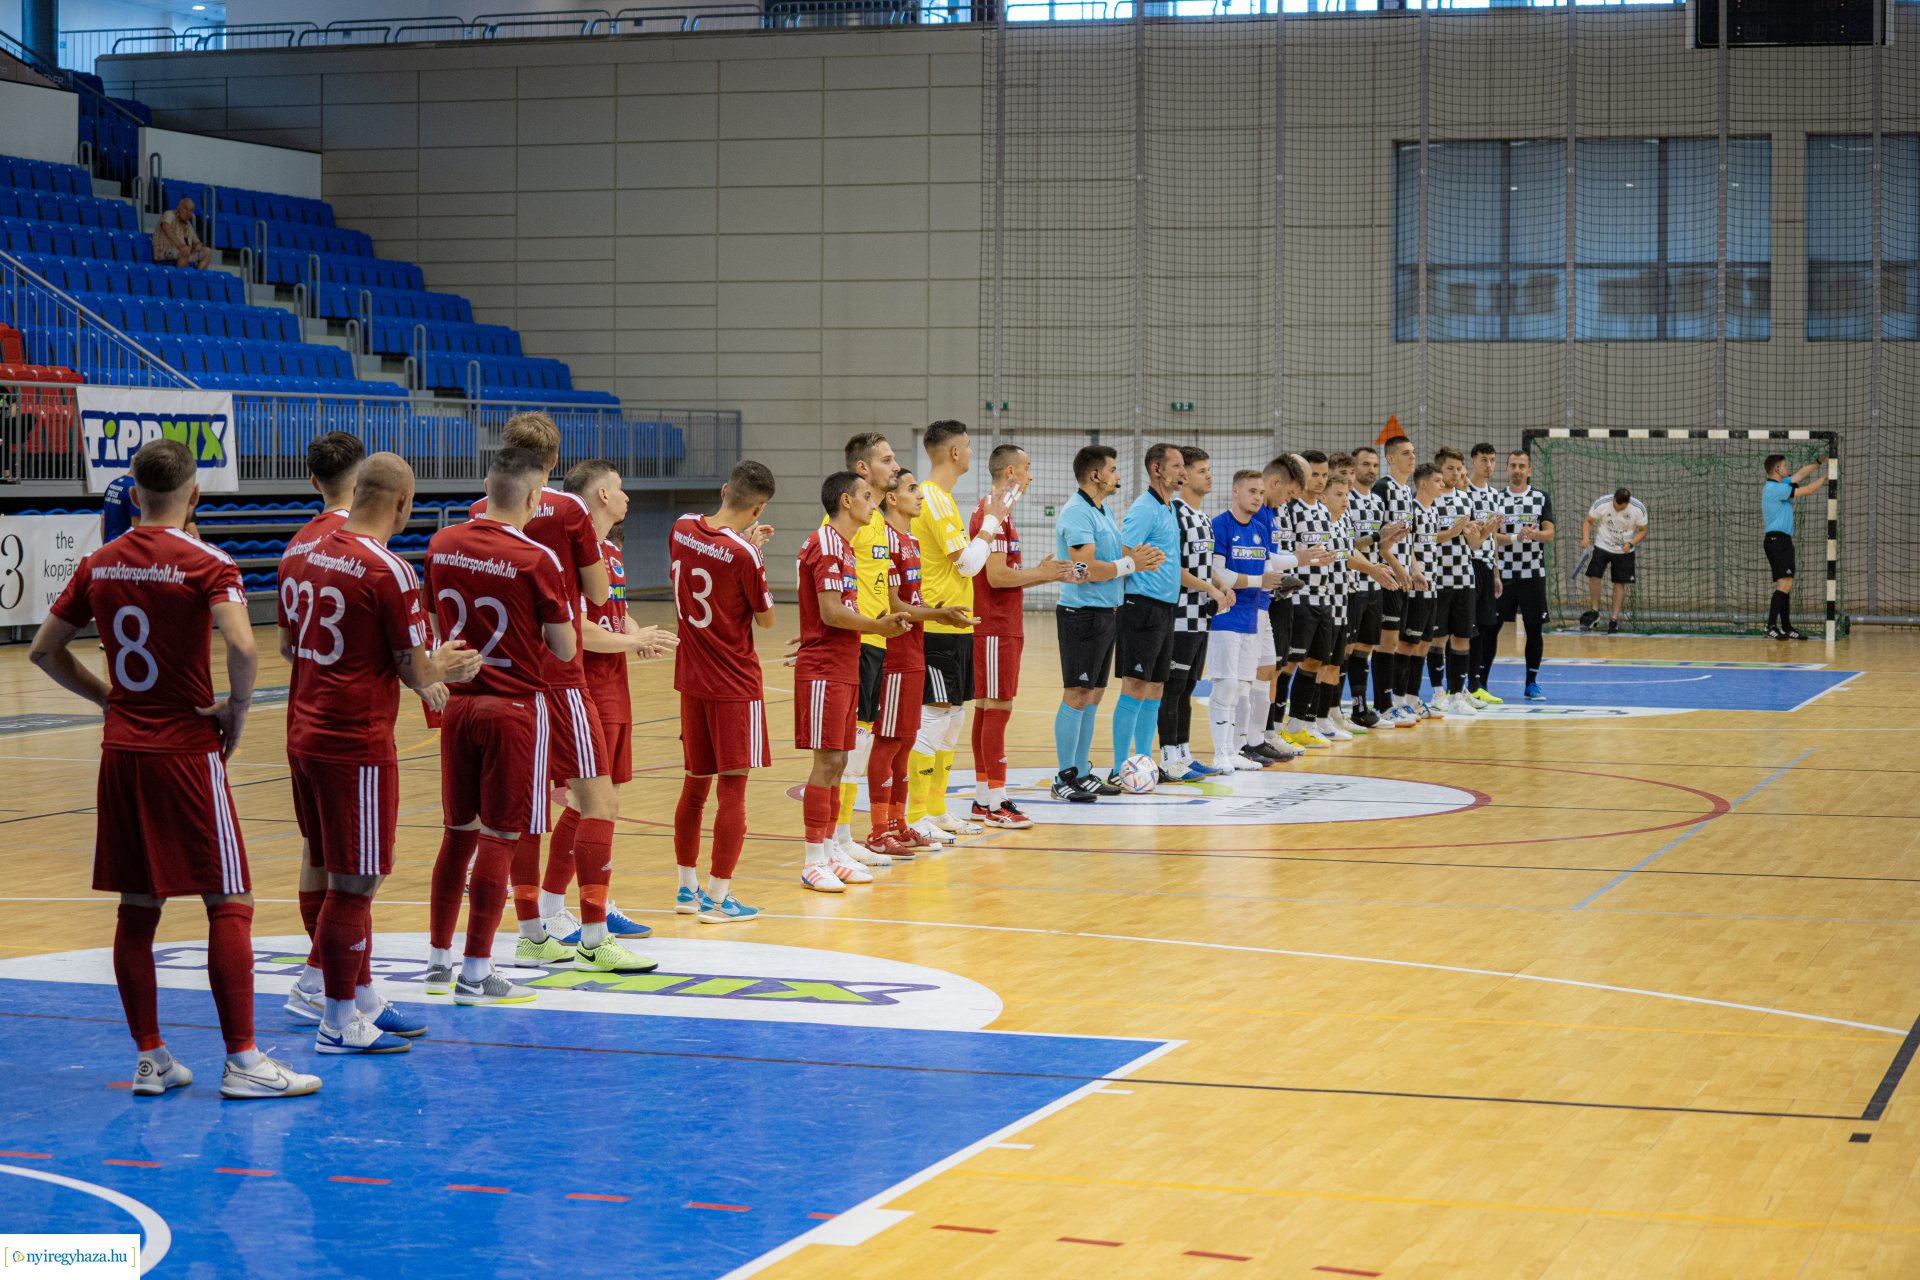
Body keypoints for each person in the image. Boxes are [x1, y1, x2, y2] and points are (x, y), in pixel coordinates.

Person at [30, 439, 318, 1099]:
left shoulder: (98, 563)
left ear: (134, 495)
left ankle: (151, 1058)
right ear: (194, 496)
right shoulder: (206, 560)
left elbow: (44, 652)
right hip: (185, 750)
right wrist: (236, 710)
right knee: (230, 900)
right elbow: (244, 645)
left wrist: (109, 698)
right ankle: (244, 1060)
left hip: (122, 750)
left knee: (139, 905)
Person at [280, 453, 482, 1055]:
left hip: (303, 730)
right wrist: (443, 664)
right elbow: (416, 667)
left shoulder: (298, 552)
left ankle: (351, 992)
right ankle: (337, 1018)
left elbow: (291, 646)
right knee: (358, 881)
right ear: (401, 501)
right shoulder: (387, 570)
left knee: (324, 859)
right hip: (355, 742)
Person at [423, 447, 599, 1005]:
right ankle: (477, 972)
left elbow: (433, 627)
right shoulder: (536, 557)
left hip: (459, 707)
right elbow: (566, 646)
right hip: (517, 709)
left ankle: (437, 962)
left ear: (484, 484)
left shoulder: (441, 543)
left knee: (457, 836)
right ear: (533, 498)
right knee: (501, 836)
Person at [468, 414, 624, 964]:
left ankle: (531, 933)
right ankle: (595, 938)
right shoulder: (570, 509)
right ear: (553, 462)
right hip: (558, 673)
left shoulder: (472, 517)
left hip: (495, 676)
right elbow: (600, 595)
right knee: (598, 800)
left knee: (523, 811)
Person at [276, 430, 367, 1023]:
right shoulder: (360, 549)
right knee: (359, 867)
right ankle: (320, 978)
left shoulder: (294, 546)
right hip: (347, 722)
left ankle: (339, 983)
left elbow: (286, 646)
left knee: (317, 847)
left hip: (300, 713)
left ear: (314, 481)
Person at [566, 459, 679, 931]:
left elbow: (614, 617)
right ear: (601, 497)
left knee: (606, 804)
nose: (628, 496)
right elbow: (578, 631)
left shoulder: (610, 552)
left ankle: (598, 902)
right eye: (620, 488)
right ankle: (554, 908)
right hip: (585, 688)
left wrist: (640, 634)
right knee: (586, 806)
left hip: (616, 688)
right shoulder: (570, 551)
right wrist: (631, 641)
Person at [669, 461, 777, 923]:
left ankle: (685, 888)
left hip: (690, 678)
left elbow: (708, 562)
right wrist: (752, 552)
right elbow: (767, 619)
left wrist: (742, 544)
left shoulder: (680, 528)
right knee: (733, 790)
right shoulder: (744, 555)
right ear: (758, 509)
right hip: (733, 682)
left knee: (695, 785)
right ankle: (718, 897)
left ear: (723, 488)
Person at [797, 473, 911, 891]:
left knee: (841, 760)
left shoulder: (843, 546)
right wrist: (876, 624)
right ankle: (813, 859)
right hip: (826, 666)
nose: (873, 504)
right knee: (826, 761)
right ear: (846, 501)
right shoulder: (826, 542)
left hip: (843, 662)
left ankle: (829, 849)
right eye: (867, 496)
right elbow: (830, 613)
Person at [908, 421, 1011, 843]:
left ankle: (936, 809)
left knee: (951, 719)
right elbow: (968, 563)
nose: (971, 453)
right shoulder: (932, 499)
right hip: (936, 624)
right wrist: (991, 523)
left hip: (957, 624)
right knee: (932, 719)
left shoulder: (943, 499)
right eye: (967, 447)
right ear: (953, 452)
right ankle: (916, 814)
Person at [869, 470, 974, 858]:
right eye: (912, 489)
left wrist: (936, 613)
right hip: (895, 651)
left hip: (915, 646)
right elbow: (895, 605)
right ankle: (880, 827)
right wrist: (936, 616)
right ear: (892, 499)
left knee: (906, 740)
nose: (920, 496)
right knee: (888, 741)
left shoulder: (911, 539)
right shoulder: (885, 539)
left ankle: (901, 822)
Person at [1051, 445, 1163, 801]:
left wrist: (1137, 558)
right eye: (1113, 469)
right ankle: (1064, 776)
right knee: (1077, 692)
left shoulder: (1101, 510)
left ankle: (1082, 771)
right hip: (1081, 614)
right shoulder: (1077, 513)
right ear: (1095, 474)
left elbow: (1111, 559)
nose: (1118, 475)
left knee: (1094, 694)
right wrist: (1131, 566)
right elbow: (1082, 569)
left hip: (1106, 612)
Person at [968, 443, 1070, 827]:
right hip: (994, 625)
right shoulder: (991, 513)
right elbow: (996, 577)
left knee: (987, 707)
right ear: (1010, 472)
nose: (1031, 476)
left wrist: (1035, 571)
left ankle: (983, 799)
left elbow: (1002, 574)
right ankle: (996, 802)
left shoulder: (1000, 514)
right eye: (1027, 468)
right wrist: (1042, 575)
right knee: (997, 709)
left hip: (1002, 624)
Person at [824, 433, 902, 869]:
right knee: (843, 746)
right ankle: (828, 841)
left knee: (861, 741)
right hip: (853, 642)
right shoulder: (838, 524)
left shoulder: (878, 522)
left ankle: (842, 834)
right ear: (862, 470)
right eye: (887, 460)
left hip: (876, 640)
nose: (895, 466)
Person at [1109, 442, 1191, 782]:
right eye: (1176, 466)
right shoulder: (1144, 507)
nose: (1183, 472)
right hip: (1140, 607)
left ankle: (1143, 761)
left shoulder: (1170, 507)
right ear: (1156, 469)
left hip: (1164, 609)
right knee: (1135, 685)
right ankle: (1118, 768)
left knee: (1156, 686)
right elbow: (1123, 549)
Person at [1162, 446, 1234, 780]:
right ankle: (1167, 757)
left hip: (1201, 616)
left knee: (1189, 685)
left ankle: (1184, 753)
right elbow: (1172, 567)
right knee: (1173, 687)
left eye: (1209, 469)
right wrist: (1210, 589)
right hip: (1178, 615)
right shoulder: (1174, 512)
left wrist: (1222, 584)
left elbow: (1204, 567)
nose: (1209, 476)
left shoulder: (1202, 516)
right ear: (1184, 475)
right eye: (1202, 470)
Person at [1207, 469, 1280, 771]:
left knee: (1241, 689)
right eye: (1252, 491)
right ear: (1235, 491)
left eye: (1261, 493)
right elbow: (1219, 573)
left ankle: (1236, 749)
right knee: (1225, 686)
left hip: (1253, 618)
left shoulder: (1261, 530)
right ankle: (1219, 752)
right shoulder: (1220, 526)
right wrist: (1258, 580)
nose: (1257, 498)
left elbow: (1268, 576)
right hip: (1226, 617)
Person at [1344, 445, 1406, 727]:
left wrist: (1391, 539)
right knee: (1346, 648)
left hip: (1374, 583)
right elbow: (1346, 545)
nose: (1371, 470)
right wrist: (1376, 535)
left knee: (1366, 646)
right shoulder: (1346, 500)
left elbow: (1379, 545)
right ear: (1354, 469)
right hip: (1351, 583)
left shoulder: (1377, 502)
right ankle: (1332, 710)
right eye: (1365, 465)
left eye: (1374, 465)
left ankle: (1361, 710)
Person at [1489, 450, 1555, 701]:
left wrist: (1534, 534)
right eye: (1513, 465)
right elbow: (1490, 536)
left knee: (1534, 629)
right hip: (1502, 573)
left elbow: (1549, 534)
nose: (1517, 470)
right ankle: (1481, 683)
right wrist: (1515, 537)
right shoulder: (1496, 498)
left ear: (1529, 471)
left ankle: (1532, 683)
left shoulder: (1540, 497)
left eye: (1521, 466)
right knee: (1490, 628)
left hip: (1533, 574)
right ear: (1507, 470)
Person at [1428, 448, 1486, 717]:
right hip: (1439, 578)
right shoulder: (1431, 499)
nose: (1456, 473)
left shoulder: (1465, 498)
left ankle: (1456, 695)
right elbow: (1426, 538)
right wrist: (1451, 532)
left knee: (1463, 638)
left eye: (1458, 469)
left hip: (1465, 577)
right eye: (1450, 468)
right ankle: (1438, 692)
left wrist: (1485, 532)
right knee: (1437, 638)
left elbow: (1472, 544)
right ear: (1441, 470)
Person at [1370, 434, 1420, 725]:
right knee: (1385, 642)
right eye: (1405, 453)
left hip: (1401, 574)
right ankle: (1382, 705)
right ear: (1390, 459)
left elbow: (1407, 540)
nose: (1412, 457)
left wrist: (1413, 569)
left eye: (1413, 452)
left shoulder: (1407, 492)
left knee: (1395, 641)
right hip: (1386, 574)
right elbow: (1379, 540)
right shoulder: (1383, 488)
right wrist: (1398, 568)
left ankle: (1390, 703)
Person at [1387, 463, 1442, 725]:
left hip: (1431, 584)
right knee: (1407, 643)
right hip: (1414, 586)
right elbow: (1406, 547)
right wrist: (1411, 571)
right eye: (1437, 481)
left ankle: (1411, 696)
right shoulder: (1414, 510)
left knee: (1422, 644)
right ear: (1423, 484)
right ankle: (1398, 698)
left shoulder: (1434, 511)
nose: (1442, 486)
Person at [1762, 453, 1829, 641]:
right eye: (1783, 466)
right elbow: (1807, 490)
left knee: (1786, 584)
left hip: (1784, 541)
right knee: (1784, 584)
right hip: (1776, 541)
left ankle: (1787, 627)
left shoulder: (1782, 484)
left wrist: (1818, 462)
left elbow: (1800, 475)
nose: (1786, 468)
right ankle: (1770, 626)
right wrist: (1826, 477)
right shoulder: (1773, 489)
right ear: (1776, 469)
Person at [1464, 442, 1505, 704]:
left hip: (1487, 567)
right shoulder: (1462, 492)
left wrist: (1497, 572)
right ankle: (1457, 687)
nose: (1488, 465)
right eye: (1483, 460)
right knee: (1467, 629)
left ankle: (1477, 686)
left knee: (1486, 627)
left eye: (1492, 460)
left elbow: (1495, 539)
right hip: (1467, 565)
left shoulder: (1495, 495)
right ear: (1473, 462)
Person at [1580, 488, 1649, 633]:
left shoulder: (1638, 509)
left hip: (1624, 550)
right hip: (1602, 545)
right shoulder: (1603, 503)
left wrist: (1631, 543)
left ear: (1626, 503)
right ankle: (1594, 612)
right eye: (1615, 504)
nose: (1617, 508)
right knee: (1594, 576)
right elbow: (1588, 520)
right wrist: (1585, 538)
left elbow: (1643, 530)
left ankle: (1614, 619)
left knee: (1619, 582)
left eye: (1620, 507)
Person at [152, 198, 212, 269]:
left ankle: (196, 277)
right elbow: (166, 226)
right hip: (163, 251)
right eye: (185, 209)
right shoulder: (169, 214)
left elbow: (196, 241)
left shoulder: (188, 224)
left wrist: (197, 245)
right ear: (178, 208)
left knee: (208, 252)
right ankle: (180, 278)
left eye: (191, 210)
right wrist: (181, 245)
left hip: (182, 252)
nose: (188, 212)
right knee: (184, 251)